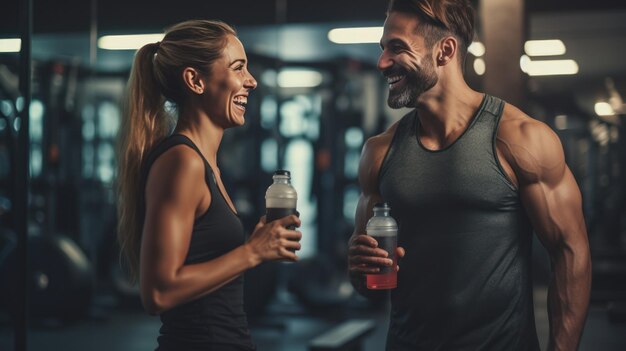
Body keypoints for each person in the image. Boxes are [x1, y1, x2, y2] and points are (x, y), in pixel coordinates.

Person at [347, 0, 592, 350]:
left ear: (445, 51)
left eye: (397, 48)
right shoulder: (379, 151)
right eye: (383, 49)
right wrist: (358, 265)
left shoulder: (520, 138)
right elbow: (364, 279)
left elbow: (571, 253)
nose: (382, 62)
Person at [116, 19, 302, 351]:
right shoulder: (182, 162)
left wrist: (261, 243)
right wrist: (252, 251)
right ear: (195, 80)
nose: (252, 81)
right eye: (238, 68)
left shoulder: (206, 164)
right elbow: (157, 292)